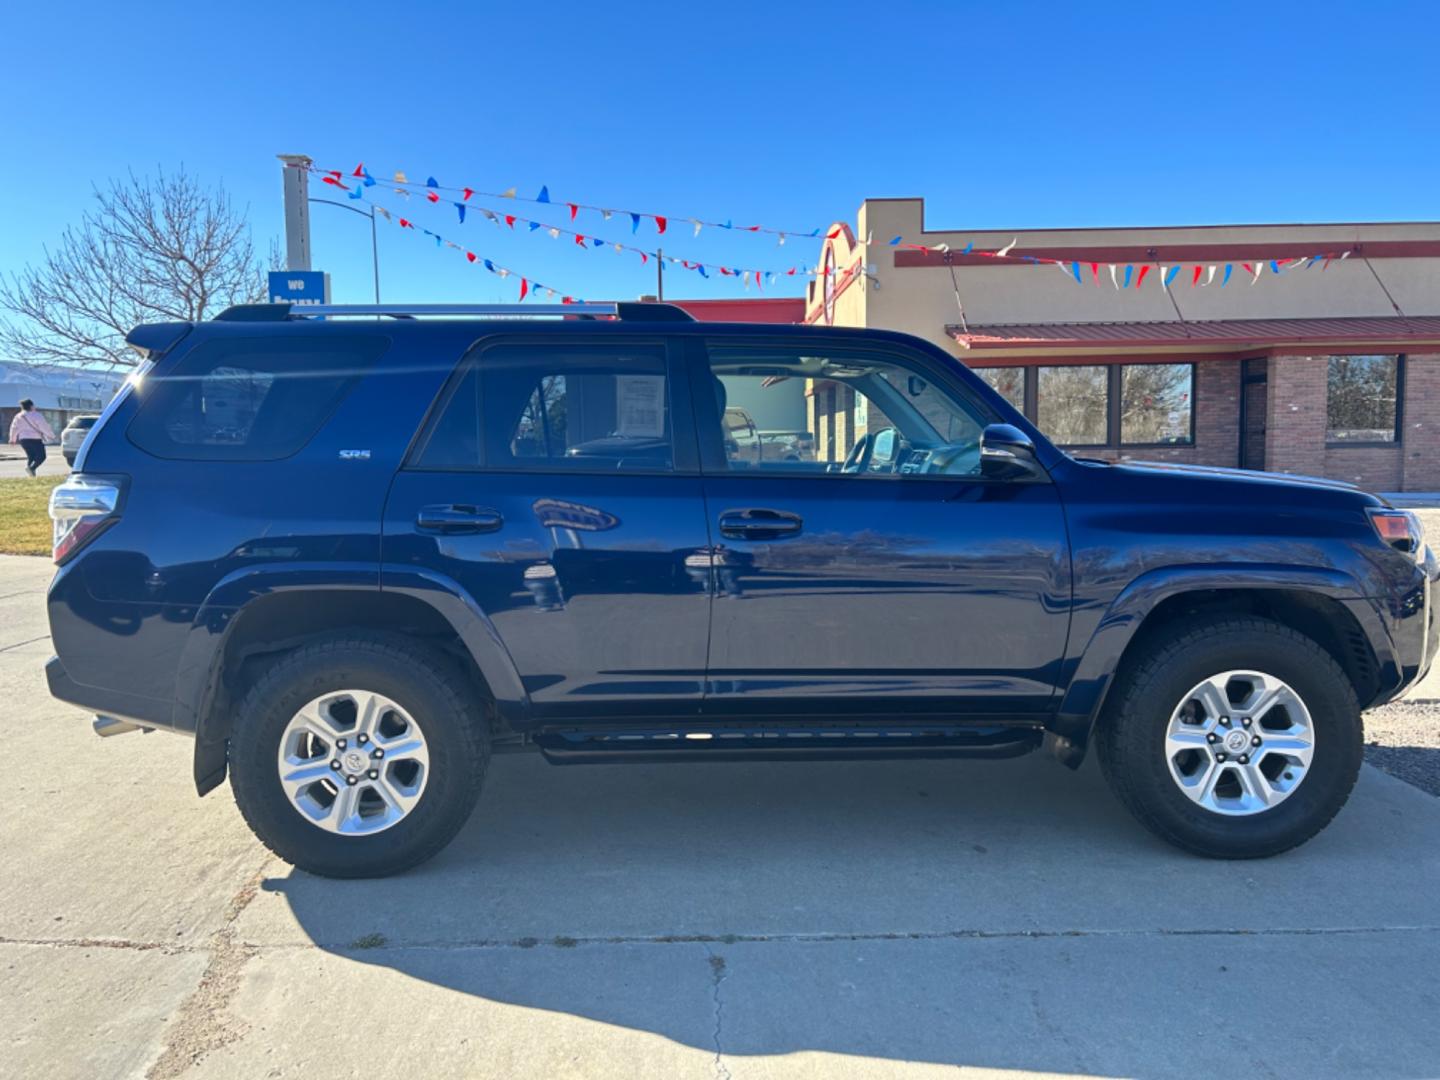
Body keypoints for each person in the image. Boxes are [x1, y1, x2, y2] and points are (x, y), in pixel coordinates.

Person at [9, 399, 55, 476]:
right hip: (35, 439)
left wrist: (12, 439)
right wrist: (51, 435)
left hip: (23, 439)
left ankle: (31, 474)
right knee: (42, 456)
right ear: (31, 406)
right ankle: (32, 468)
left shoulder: (18, 416)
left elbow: (14, 428)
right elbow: (44, 426)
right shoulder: (36, 415)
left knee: (31, 456)